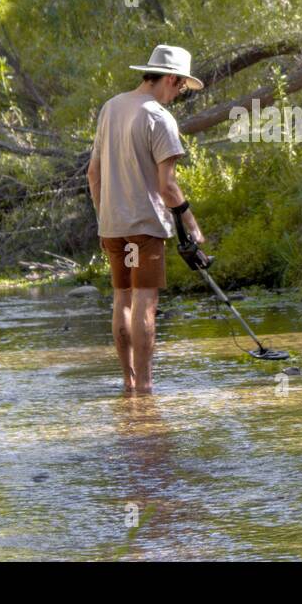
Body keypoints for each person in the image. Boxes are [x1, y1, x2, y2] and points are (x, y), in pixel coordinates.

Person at [87, 44, 205, 394]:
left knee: (122, 299)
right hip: (144, 227)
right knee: (144, 302)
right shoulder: (158, 117)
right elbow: (166, 186)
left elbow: (93, 174)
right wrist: (191, 224)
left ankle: (128, 382)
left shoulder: (110, 108)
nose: (180, 93)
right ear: (171, 78)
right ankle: (146, 389)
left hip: (112, 225)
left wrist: (103, 217)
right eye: (181, 86)